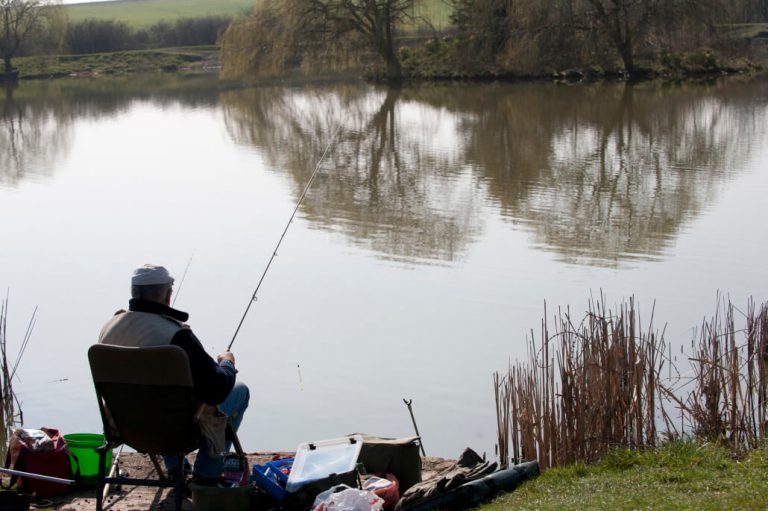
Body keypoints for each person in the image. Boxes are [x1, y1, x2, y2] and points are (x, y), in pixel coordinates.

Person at [98, 263, 250, 479]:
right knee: (239, 391)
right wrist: (227, 364)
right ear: (168, 295)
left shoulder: (109, 329)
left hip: (127, 430)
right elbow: (215, 391)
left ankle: (176, 469)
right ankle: (206, 476)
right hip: (176, 434)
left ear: (134, 292)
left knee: (162, 396)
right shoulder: (176, 336)